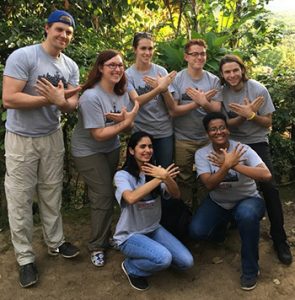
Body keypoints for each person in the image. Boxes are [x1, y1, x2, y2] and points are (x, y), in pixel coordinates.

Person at [2, 10, 80, 288]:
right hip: (21, 138)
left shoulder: (70, 66)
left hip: (51, 136)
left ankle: (55, 242)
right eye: (59, 29)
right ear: (47, 28)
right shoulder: (24, 56)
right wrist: (51, 99)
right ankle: (25, 258)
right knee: (20, 198)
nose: (64, 35)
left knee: (51, 191)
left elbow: (72, 104)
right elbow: (9, 98)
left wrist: (61, 101)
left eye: (69, 32)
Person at [219, 54, 292, 265]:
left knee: (270, 188)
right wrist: (244, 115)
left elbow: (267, 123)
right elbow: (227, 125)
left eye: (235, 70)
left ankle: (280, 240)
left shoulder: (258, 89)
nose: (232, 75)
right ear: (222, 75)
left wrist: (252, 115)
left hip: (258, 143)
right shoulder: (222, 93)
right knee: (229, 183)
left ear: (242, 70)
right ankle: (231, 226)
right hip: (234, 144)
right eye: (227, 72)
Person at [71, 50, 139, 268]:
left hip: (111, 148)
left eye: (120, 65)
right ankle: (97, 245)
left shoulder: (122, 92)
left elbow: (128, 127)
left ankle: (106, 235)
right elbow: (98, 134)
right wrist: (124, 123)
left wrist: (126, 121)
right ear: (100, 67)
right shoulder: (91, 96)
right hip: (88, 151)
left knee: (105, 195)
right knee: (103, 195)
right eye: (111, 65)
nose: (117, 69)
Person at [189, 112, 271, 290]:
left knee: (246, 215)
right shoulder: (202, 154)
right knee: (197, 231)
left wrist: (234, 164)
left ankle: (250, 270)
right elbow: (209, 184)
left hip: (248, 199)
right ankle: (224, 227)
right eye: (213, 129)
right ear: (207, 133)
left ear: (228, 129)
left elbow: (266, 174)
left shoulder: (242, 149)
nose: (218, 132)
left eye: (222, 127)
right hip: (218, 202)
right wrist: (225, 166)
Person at [113, 131, 194, 291]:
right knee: (164, 258)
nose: (147, 150)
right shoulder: (122, 176)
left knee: (186, 262)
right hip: (129, 235)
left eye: (150, 146)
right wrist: (160, 178)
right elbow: (131, 198)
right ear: (131, 150)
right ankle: (131, 267)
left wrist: (167, 178)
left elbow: (176, 195)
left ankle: (152, 255)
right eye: (142, 146)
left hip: (153, 229)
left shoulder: (157, 171)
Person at [126, 32, 193, 168]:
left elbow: (172, 106)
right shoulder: (128, 75)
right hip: (141, 132)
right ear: (135, 49)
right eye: (143, 48)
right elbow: (137, 101)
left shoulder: (161, 71)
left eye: (150, 48)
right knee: (144, 172)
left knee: (164, 172)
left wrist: (164, 89)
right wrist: (159, 88)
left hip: (163, 132)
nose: (147, 52)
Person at [171, 39, 222, 208]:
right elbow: (173, 110)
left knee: (206, 177)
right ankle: (185, 216)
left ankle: (205, 213)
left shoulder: (213, 80)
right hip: (183, 139)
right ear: (186, 57)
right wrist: (198, 102)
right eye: (194, 54)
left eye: (202, 54)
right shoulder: (178, 79)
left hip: (207, 138)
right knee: (183, 177)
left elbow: (216, 111)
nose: (199, 57)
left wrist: (204, 102)